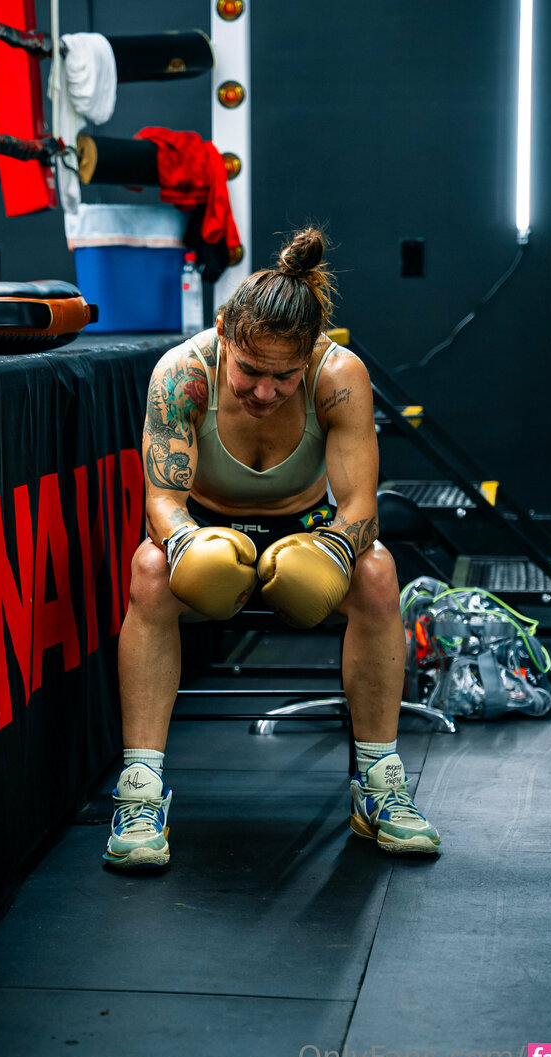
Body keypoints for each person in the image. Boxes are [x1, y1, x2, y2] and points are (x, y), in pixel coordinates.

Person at [104, 227, 440, 870]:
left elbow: (361, 508)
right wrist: (186, 545)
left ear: (310, 354)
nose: (265, 391)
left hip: (306, 528)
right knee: (148, 569)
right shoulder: (182, 373)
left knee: (377, 572)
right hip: (206, 526)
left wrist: (333, 554)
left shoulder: (339, 376)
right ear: (224, 333)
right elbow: (162, 500)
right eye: (251, 371)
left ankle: (379, 784)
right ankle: (139, 792)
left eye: (285, 376)